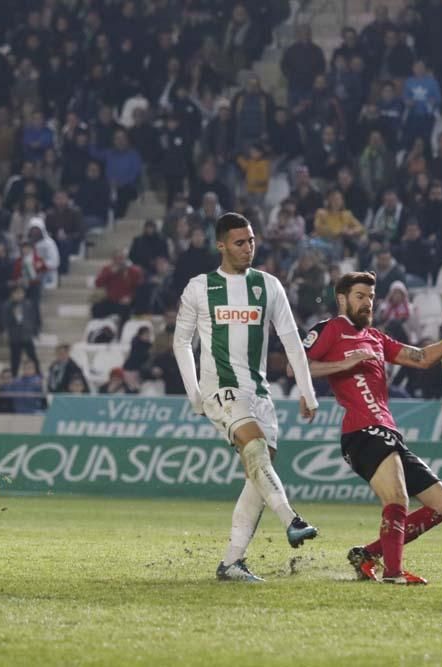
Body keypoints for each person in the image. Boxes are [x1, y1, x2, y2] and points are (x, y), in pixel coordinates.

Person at [173, 212, 320, 583]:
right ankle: (292, 519)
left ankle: (232, 562)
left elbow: (290, 339)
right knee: (255, 450)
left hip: (259, 394)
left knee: (258, 473)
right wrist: (193, 390)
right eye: (240, 242)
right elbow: (181, 342)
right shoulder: (199, 287)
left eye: (251, 240)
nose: (248, 248)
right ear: (221, 245)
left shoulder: (268, 286)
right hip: (220, 388)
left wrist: (307, 390)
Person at [304, 272, 442, 584]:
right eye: (360, 296)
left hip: (388, 432)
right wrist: (343, 365)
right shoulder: (331, 329)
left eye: (371, 298)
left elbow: (420, 358)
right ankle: (393, 572)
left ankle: (369, 554)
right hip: (361, 433)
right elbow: (300, 364)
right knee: (397, 499)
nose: (367, 303)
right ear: (342, 299)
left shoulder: (376, 338)